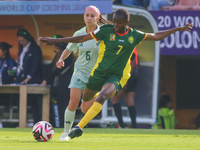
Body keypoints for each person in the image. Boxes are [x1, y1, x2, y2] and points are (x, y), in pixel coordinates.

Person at [39, 8, 193, 139]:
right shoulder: (106, 30)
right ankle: (83, 116)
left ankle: (78, 127)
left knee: (102, 97)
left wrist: (177, 29)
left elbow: (156, 36)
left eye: (119, 23)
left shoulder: (134, 35)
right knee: (85, 101)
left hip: (115, 76)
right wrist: (55, 41)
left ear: (127, 23)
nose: (116, 25)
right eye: (114, 22)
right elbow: (83, 37)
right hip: (97, 74)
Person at [55, 6, 112, 141]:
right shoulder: (79, 33)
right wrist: (61, 59)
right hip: (80, 72)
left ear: (97, 18)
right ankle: (65, 133)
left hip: (95, 76)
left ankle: (82, 116)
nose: (89, 18)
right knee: (73, 102)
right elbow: (69, 48)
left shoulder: (102, 33)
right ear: (84, 17)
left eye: (92, 16)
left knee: (86, 109)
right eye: (87, 15)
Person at [41, 34, 74, 128]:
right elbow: (51, 67)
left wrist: (47, 79)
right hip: (60, 83)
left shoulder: (67, 54)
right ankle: (58, 124)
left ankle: (63, 125)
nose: (54, 45)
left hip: (65, 83)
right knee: (60, 104)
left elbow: (57, 70)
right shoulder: (59, 53)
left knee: (64, 104)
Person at [16, 28, 43, 124]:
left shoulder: (35, 49)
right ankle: (22, 121)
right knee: (20, 101)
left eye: (22, 40)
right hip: (21, 79)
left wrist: (29, 77)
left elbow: (36, 65)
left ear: (28, 39)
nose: (21, 42)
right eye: (19, 41)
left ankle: (36, 122)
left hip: (32, 80)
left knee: (33, 102)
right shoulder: (22, 49)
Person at [111, 47, 139, 128]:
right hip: (134, 73)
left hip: (127, 74)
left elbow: (132, 62)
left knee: (114, 99)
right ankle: (134, 126)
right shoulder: (130, 43)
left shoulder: (126, 44)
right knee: (129, 101)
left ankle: (122, 126)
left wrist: (126, 79)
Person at [0, 42, 17, 128]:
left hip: (8, 89)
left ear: (4, 51)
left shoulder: (10, 60)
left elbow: (14, 73)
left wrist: (11, 72)